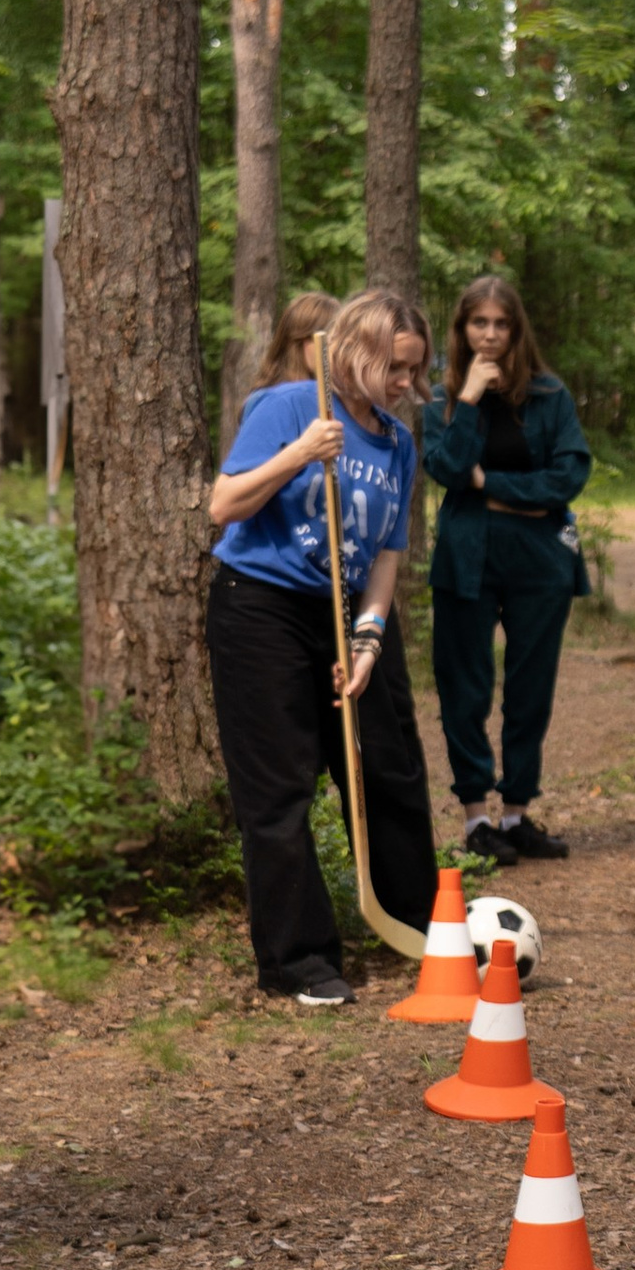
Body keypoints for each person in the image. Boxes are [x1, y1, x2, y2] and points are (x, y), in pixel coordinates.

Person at [206, 288, 439, 1009]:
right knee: (280, 788)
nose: (406, 385)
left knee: (388, 767)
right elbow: (225, 504)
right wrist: (302, 453)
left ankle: (419, 925)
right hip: (262, 607)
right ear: (353, 352)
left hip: (349, 610)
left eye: (414, 370)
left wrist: (369, 638)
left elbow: (389, 555)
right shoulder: (283, 407)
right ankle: (296, 957)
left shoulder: (397, 441)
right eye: (395, 368)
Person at [422, 272, 592, 865]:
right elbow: (444, 467)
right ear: (462, 330)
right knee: (464, 686)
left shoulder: (549, 395)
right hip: (467, 557)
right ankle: (476, 820)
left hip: (541, 560)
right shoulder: (442, 399)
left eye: (500, 324)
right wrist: (469, 398)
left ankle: (517, 813)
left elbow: (568, 477)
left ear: (515, 329)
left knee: (530, 690)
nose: (490, 335)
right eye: (479, 324)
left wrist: (487, 485)